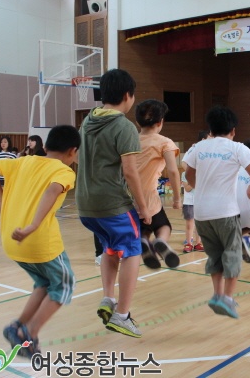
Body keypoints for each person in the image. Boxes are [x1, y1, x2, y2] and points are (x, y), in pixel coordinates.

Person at [0, 125, 81, 358]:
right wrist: (34, 225)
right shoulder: (64, 171)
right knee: (64, 285)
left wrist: (2, 198)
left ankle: (16, 327)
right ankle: (28, 332)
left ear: (45, 146)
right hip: (39, 242)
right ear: (73, 151)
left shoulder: (22, 161)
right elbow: (52, 190)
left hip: (11, 240)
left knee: (44, 283)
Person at [75, 68, 152, 338]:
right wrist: (142, 207)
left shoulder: (87, 121)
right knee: (132, 251)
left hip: (86, 205)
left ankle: (108, 298)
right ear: (127, 95)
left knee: (109, 248)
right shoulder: (123, 126)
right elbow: (130, 172)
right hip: (113, 204)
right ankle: (122, 314)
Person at [183, 106, 250, 319]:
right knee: (233, 253)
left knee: (214, 254)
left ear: (211, 127)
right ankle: (227, 297)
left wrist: (202, 191)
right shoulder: (237, 148)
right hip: (225, 212)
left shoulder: (198, 147)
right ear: (233, 130)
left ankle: (217, 294)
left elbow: (188, 175)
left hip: (201, 213)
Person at [134, 99, 181, 269]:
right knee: (163, 225)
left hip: (128, 195)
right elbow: (173, 171)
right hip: (149, 194)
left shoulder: (130, 139)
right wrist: (177, 198)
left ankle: (144, 241)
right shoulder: (164, 142)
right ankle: (160, 241)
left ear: (137, 121)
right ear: (160, 122)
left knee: (144, 226)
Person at [181, 130, 209, 253]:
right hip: (189, 201)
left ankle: (198, 243)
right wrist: (196, 176)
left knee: (200, 224)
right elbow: (183, 164)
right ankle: (188, 243)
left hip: (201, 199)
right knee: (190, 224)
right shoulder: (194, 149)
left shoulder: (209, 152)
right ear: (203, 139)